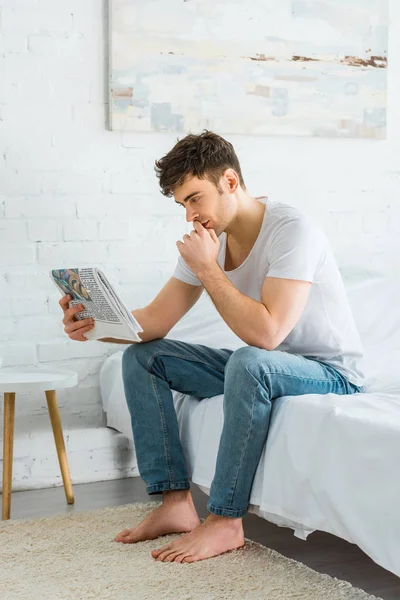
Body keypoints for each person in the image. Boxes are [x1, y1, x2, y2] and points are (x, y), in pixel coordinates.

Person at [59, 130, 364, 564]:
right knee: (145, 358)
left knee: (250, 361)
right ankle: (174, 503)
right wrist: (93, 326)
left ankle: (225, 521)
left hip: (330, 373)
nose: (190, 215)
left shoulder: (292, 231)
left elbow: (267, 335)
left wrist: (208, 269)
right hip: (266, 364)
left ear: (231, 182)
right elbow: (155, 322)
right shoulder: (207, 240)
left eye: (195, 198)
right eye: (182, 204)